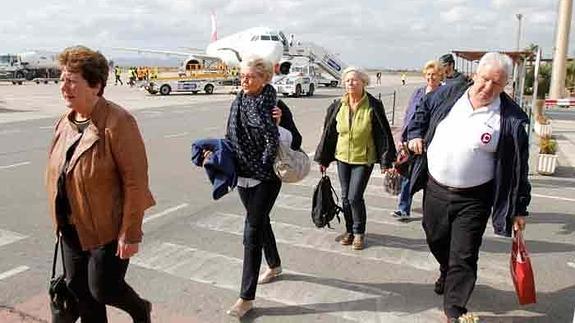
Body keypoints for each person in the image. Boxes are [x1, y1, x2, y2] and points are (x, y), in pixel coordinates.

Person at [406, 52, 530, 321]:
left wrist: (519, 207)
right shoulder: (449, 95)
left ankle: (455, 309)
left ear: (505, 84)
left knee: (464, 254)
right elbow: (421, 111)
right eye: (484, 79)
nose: (488, 88)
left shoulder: (510, 119)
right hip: (436, 188)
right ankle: (446, 270)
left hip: (475, 198)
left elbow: (519, 168)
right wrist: (415, 134)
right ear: (475, 74)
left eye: (496, 84)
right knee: (435, 237)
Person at [45, 46, 155, 323]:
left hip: (108, 228)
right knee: (82, 294)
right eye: (62, 79)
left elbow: (136, 182)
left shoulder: (118, 122)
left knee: (103, 289)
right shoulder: (64, 123)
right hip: (72, 227)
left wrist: (130, 232)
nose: (64, 87)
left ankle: (140, 309)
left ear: (95, 85)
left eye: (72, 80)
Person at [223, 57, 290, 318]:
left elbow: (294, 139)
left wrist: (280, 123)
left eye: (250, 76)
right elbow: (230, 135)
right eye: (242, 75)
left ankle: (245, 298)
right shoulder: (238, 101)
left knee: (252, 230)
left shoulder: (276, 104)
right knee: (261, 223)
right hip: (243, 174)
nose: (244, 80)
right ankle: (274, 265)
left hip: (267, 176)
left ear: (265, 79)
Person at [315, 66, 396, 251]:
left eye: (355, 80)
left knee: (354, 197)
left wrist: (386, 161)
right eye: (348, 80)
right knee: (344, 197)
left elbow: (383, 134)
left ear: (363, 83)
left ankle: (359, 232)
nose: (350, 83)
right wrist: (324, 159)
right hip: (342, 157)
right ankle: (349, 230)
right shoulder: (337, 105)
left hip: (363, 159)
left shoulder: (373, 105)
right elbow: (329, 135)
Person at [392, 60, 443, 221]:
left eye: (434, 74)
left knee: (432, 179)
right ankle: (403, 208)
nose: (430, 77)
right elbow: (409, 115)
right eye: (428, 74)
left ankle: (431, 212)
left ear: (440, 75)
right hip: (412, 142)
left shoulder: (444, 94)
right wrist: (403, 138)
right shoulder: (418, 92)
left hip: (433, 142)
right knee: (407, 174)